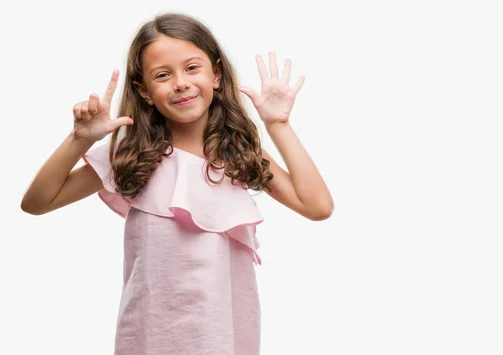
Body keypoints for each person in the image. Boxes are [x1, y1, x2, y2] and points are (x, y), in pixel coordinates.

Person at [21, 12, 333, 355]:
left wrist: (278, 125)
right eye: (163, 75)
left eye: (192, 68)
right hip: (150, 340)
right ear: (145, 91)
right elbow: (38, 203)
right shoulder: (132, 155)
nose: (181, 83)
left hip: (224, 339)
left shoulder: (237, 154)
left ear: (216, 74)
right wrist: (78, 138)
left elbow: (317, 206)